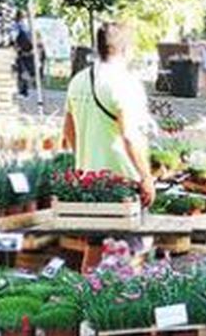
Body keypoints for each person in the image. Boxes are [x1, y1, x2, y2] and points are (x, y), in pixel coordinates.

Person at [62, 22, 155, 206]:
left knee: (93, 233)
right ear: (126, 49)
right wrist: (146, 176)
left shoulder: (78, 80)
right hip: (121, 178)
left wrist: (83, 158)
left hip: (87, 178)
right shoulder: (126, 83)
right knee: (122, 234)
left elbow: (68, 129)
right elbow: (129, 136)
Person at [13, 10, 36, 99]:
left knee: (21, 72)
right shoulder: (26, 26)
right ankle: (24, 91)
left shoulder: (18, 26)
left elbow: (15, 38)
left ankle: (23, 91)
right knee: (24, 72)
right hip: (28, 51)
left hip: (22, 52)